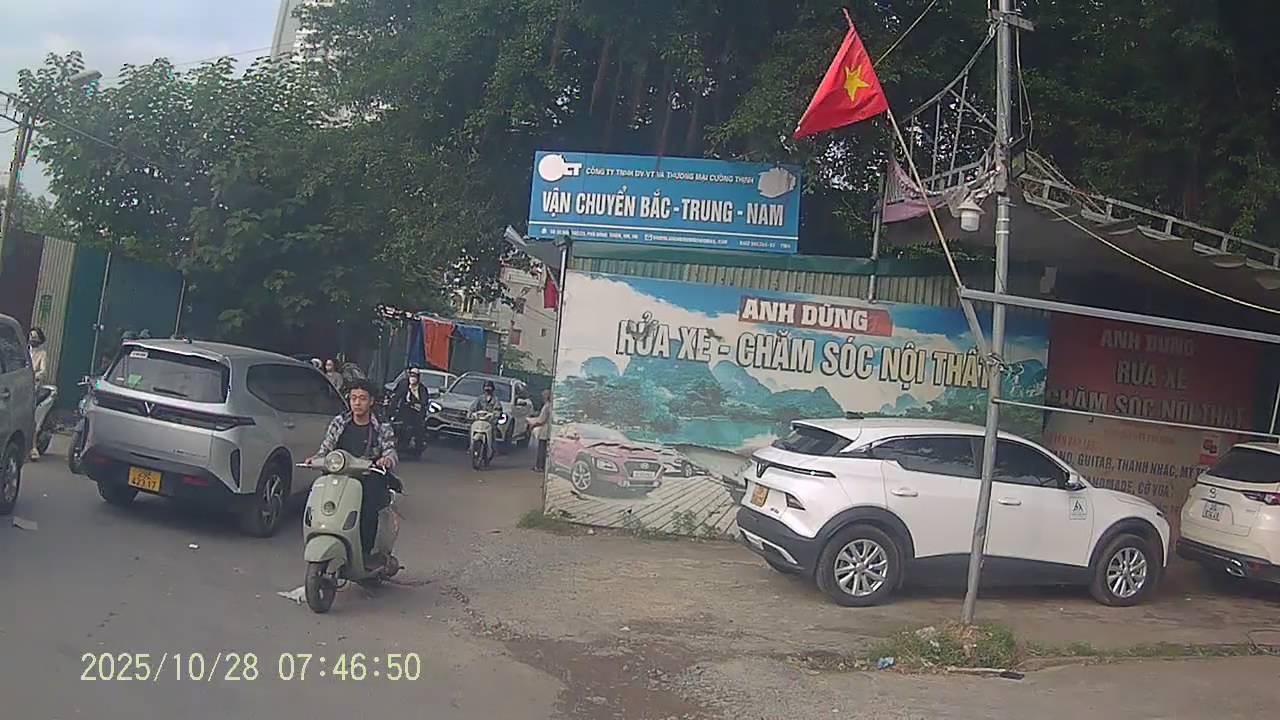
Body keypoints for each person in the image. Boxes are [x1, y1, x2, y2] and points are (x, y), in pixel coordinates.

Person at [310, 380, 398, 560]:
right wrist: (316, 459)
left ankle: (366, 553)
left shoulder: (381, 425)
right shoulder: (339, 422)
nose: (357, 403)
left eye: (362, 398)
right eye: (353, 398)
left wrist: (386, 459)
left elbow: (390, 449)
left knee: (368, 508)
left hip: (369, 476)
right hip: (339, 475)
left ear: (371, 401)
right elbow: (326, 447)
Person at [391, 368, 428, 458]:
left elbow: (424, 401)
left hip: (416, 413)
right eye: (411, 375)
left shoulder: (422, 388)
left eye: (415, 376)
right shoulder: (403, 384)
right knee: (396, 426)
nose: (412, 378)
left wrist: (416, 403)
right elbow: (396, 396)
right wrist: (392, 409)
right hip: (403, 411)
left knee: (419, 429)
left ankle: (418, 446)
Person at [528, 389, 552, 472]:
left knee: (541, 449)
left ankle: (539, 466)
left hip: (544, 430)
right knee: (544, 449)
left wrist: (533, 425)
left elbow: (541, 420)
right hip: (548, 430)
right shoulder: (550, 405)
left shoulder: (547, 406)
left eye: (544, 395)